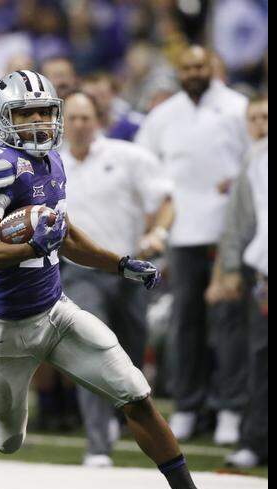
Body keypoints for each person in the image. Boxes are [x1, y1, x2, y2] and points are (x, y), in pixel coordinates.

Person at [0, 70, 244, 489]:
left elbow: (64, 234)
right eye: (26, 113)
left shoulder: (53, 164)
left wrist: (120, 263)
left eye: (44, 112)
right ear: (4, 119)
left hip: (56, 311)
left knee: (137, 394)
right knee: (4, 439)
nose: (38, 122)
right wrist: (28, 248)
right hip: (6, 329)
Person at [134, 45, 249, 444]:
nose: (195, 72)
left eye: (201, 65)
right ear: (179, 71)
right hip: (181, 232)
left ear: (213, 67)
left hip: (226, 232)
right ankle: (187, 404)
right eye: (188, 67)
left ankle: (229, 407)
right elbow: (144, 165)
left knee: (229, 324)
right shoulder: (164, 116)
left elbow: (259, 158)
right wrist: (153, 223)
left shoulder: (237, 108)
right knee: (185, 322)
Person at [61, 91, 173, 466]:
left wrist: (159, 233)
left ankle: (115, 418)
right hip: (81, 273)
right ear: (63, 122)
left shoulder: (128, 156)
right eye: (72, 118)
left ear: (98, 119)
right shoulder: (49, 164)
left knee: (132, 353)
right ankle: (97, 443)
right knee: (93, 349)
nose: (79, 125)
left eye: (85, 117)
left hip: (129, 268)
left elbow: (165, 199)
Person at [211, 95, 267, 467]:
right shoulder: (255, 159)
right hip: (265, 272)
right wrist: (231, 267)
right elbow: (241, 219)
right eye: (256, 118)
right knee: (261, 358)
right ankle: (256, 440)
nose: (262, 124)